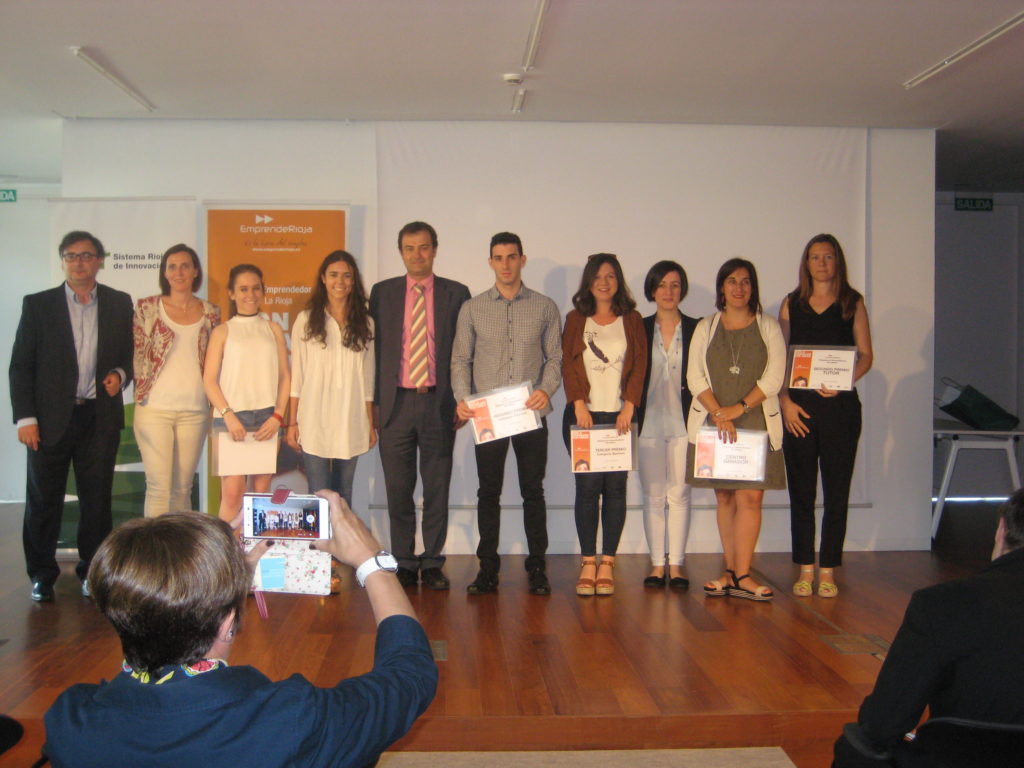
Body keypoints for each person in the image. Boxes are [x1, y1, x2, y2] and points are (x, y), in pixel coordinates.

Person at [43, 492, 438, 767]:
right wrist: (371, 562)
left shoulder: (70, 721)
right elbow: (409, 675)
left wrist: (221, 583)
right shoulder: (291, 720)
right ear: (229, 623)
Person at [832, 489, 1024, 767]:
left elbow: (883, 724)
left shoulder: (943, 604)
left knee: (857, 747)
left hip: (958, 759)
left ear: (1002, 529)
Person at [9, 230, 133, 602]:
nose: (79, 262)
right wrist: (25, 418)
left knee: (97, 502)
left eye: (87, 255)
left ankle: (92, 573)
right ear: (63, 261)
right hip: (48, 422)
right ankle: (41, 575)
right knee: (44, 500)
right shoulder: (38, 305)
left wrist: (120, 375)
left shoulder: (118, 302)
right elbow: (20, 367)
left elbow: (129, 356)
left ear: (100, 260)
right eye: (71, 255)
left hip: (98, 418)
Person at [451, 232, 562, 596]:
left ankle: (537, 568)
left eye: (512, 257)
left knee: (533, 491)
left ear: (522, 259)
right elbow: (460, 359)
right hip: (488, 417)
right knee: (489, 492)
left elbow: (555, 358)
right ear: (490, 262)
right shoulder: (473, 307)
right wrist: (463, 398)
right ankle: (488, 569)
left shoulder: (545, 307)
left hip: (530, 415)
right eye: (498, 258)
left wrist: (545, 390)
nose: (506, 264)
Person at [369, 222, 470, 590]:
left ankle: (432, 561)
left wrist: (462, 399)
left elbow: (464, 351)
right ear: (401, 252)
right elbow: (373, 353)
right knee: (398, 489)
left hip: (438, 404)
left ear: (434, 250)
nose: (417, 255)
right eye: (410, 248)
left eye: (424, 247)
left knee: (436, 488)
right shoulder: (382, 293)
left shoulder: (456, 293)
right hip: (394, 405)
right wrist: (374, 404)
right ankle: (405, 560)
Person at [686, 258, 785, 601]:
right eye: (732, 281)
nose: (739, 288)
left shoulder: (768, 326)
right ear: (721, 288)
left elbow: (774, 378)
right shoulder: (706, 326)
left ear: (753, 288)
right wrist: (718, 412)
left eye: (745, 281)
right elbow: (694, 376)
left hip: (754, 419)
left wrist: (737, 408)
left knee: (751, 498)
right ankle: (729, 572)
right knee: (725, 496)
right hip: (715, 422)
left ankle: (744, 574)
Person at [780, 234, 873, 599]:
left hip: (841, 411)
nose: (821, 263)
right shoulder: (791, 304)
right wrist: (785, 401)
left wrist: (846, 379)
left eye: (828, 256)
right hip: (798, 411)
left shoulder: (852, 302)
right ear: (806, 263)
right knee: (802, 491)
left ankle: (829, 568)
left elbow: (866, 355)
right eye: (814, 257)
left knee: (837, 491)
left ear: (838, 262)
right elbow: (781, 360)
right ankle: (805, 566)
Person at [562, 253, 647, 597]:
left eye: (610, 276)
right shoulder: (575, 318)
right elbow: (568, 362)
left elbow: (640, 363)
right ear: (588, 281)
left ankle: (607, 561)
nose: (604, 281)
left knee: (615, 489)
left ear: (618, 281)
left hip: (620, 417)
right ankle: (587, 561)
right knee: (587, 489)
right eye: (597, 276)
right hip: (585, 416)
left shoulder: (632, 319)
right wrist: (579, 403)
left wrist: (630, 406)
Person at [133, 244, 220, 517]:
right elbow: (136, 354)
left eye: (185, 266)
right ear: (165, 273)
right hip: (154, 409)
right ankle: (156, 558)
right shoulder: (147, 308)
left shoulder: (211, 313)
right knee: (159, 487)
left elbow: (216, 362)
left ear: (195, 271)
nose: (178, 272)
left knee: (182, 489)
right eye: (172, 266)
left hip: (195, 410)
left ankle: (180, 556)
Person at [286, 251, 375, 506]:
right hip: (315, 418)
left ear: (354, 281)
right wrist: (293, 423)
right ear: (323, 279)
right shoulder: (306, 320)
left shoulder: (366, 323)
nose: (340, 281)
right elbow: (298, 376)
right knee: (319, 493)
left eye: (347, 276)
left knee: (344, 494)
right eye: (334, 275)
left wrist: (369, 423)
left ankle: (343, 547)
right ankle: (322, 547)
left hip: (351, 416)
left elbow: (368, 378)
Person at [203, 264, 290, 522]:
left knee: (261, 495)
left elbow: (285, 376)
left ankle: (255, 557)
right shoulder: (222, 331)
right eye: (243, 289)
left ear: (263, 291)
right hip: (231, 419)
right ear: (231, 293)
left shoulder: (273, 329)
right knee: (231, 496)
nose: (250, 294)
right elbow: (209, 381)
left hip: (267, 418)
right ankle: (225, 559)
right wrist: (228, 415)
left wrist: (278, 416)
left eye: (255, 288)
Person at [636, 260, 699, 589]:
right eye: (661, 285)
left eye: (674, 285)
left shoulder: (698, 327)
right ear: (652, 289)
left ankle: (677, 564)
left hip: (685, 424)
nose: (668, 292)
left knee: (680, 495)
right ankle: (656, 564)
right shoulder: (638, 327)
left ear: (682, 289)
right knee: (653, 496)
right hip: (647, 424)